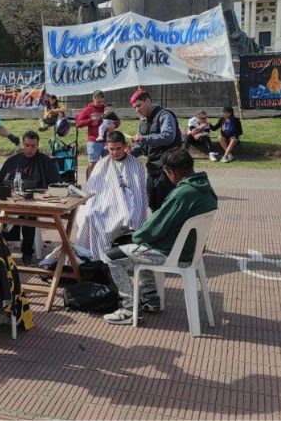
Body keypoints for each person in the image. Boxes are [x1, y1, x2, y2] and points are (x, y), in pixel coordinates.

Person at [101, 148, 218, 325]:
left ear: (170, 173)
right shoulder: (206, 188)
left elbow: (155, 227)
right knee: (141, 249)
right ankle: (151, 298)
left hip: (171, 253)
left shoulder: (182, 194)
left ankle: (128, 310)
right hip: (191, 250)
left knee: (112, 257)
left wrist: (135, 236)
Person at [73, 131, 148, 261]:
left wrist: (130, 206)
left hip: (129, 205)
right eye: (111, 149)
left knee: (128, 217)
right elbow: (93, 189)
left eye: (118, 148)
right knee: (89, 215)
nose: (115, 152)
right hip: (103, 205)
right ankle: (95, 259)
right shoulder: (101, 164)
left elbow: (140, 194)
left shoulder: (136, 165)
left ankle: (123, 259)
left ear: (125, 146)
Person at [0, 130, 61, 264]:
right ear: (22, 144)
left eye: (33, 146)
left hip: (36, 203)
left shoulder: (46, 162)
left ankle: (27, 252)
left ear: (38, 145)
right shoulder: (12, 161)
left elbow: (55, 186)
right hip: (12, 202)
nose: (30, 149)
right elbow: (1, 184)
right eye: (27, 145)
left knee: (28, 215)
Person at [129, 90, 182, 211]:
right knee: (153, 205)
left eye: (138, 105)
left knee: (168, 207)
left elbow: (168, 136)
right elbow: (144, 147)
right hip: (152, 168)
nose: (137, 110)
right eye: (134, 107)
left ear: (148, 101)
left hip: (168, 169)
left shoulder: (164, 115)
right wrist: (131, 152)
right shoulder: (143, 122)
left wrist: (143, 139)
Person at [76, 90, 121, 180]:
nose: (101, 103)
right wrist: (90, 120)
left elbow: (118, 121)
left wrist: (114, 125)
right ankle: (89, 185)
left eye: (102, 101)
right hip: (94, 141)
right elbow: (78, 124)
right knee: (93, 163)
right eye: (98, 101)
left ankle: (106, 185)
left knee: (108, 163)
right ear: (93, 99)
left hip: (107, 141)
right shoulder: (88, 109)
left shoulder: (106, 108)